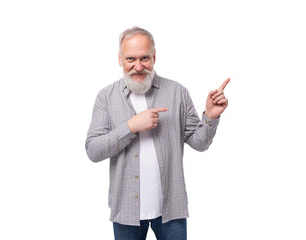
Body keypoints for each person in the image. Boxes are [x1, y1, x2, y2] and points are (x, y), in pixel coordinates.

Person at [85, 26, 230, 240]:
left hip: (171, 207)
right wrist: (131, 126)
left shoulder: (177, 92)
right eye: (130, 59)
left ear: (154, 57)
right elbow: (93, 151)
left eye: (144, 58)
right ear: (120, 60)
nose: (138, 66)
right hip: (125, 209)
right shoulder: (106, 97)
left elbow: (199, 143)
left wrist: (210, 116)